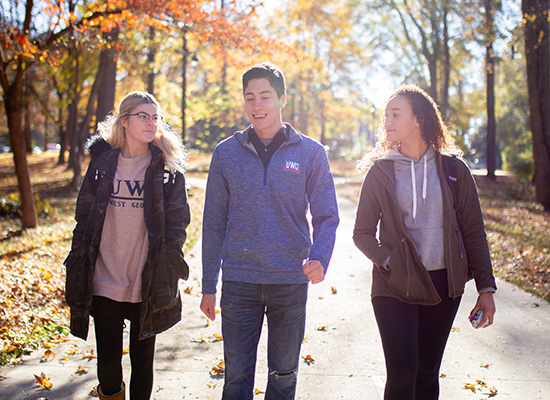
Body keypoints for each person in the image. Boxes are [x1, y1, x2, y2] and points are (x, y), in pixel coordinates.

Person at [199, 61, 339, 400]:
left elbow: (327, 215)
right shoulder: (225, 153)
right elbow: (213, 221)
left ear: (282, 99)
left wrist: (320, 256)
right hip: (239, 282)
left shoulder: (310, 152)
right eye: (250, 98)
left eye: (265, 96)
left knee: (284, 375)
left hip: (289, 281)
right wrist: (208, 285)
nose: (257, 106)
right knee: (236, 377)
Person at [353, 84, 497, 400]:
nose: (387, 122)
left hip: (443, 285)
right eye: (385, 115)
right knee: (403, 374)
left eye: (395, 114)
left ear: (418, 119)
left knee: (428, 373)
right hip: (394, 285)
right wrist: (389, 260)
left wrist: (485, 288)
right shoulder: (381, 172)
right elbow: (362, 233)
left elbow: (474, 232)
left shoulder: (454, 170)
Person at [64, 91, 190, 400]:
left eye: (155, 117)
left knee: (142, 361)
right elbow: (84, 218)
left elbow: (178, 224)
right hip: (105, 277)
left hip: (146, 281)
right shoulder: (102, 166)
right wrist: (78, 261)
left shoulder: (167, 170)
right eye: (143, 116)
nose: (151, 123)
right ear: (124, 122)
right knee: (108, 363)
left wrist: (169, 263)